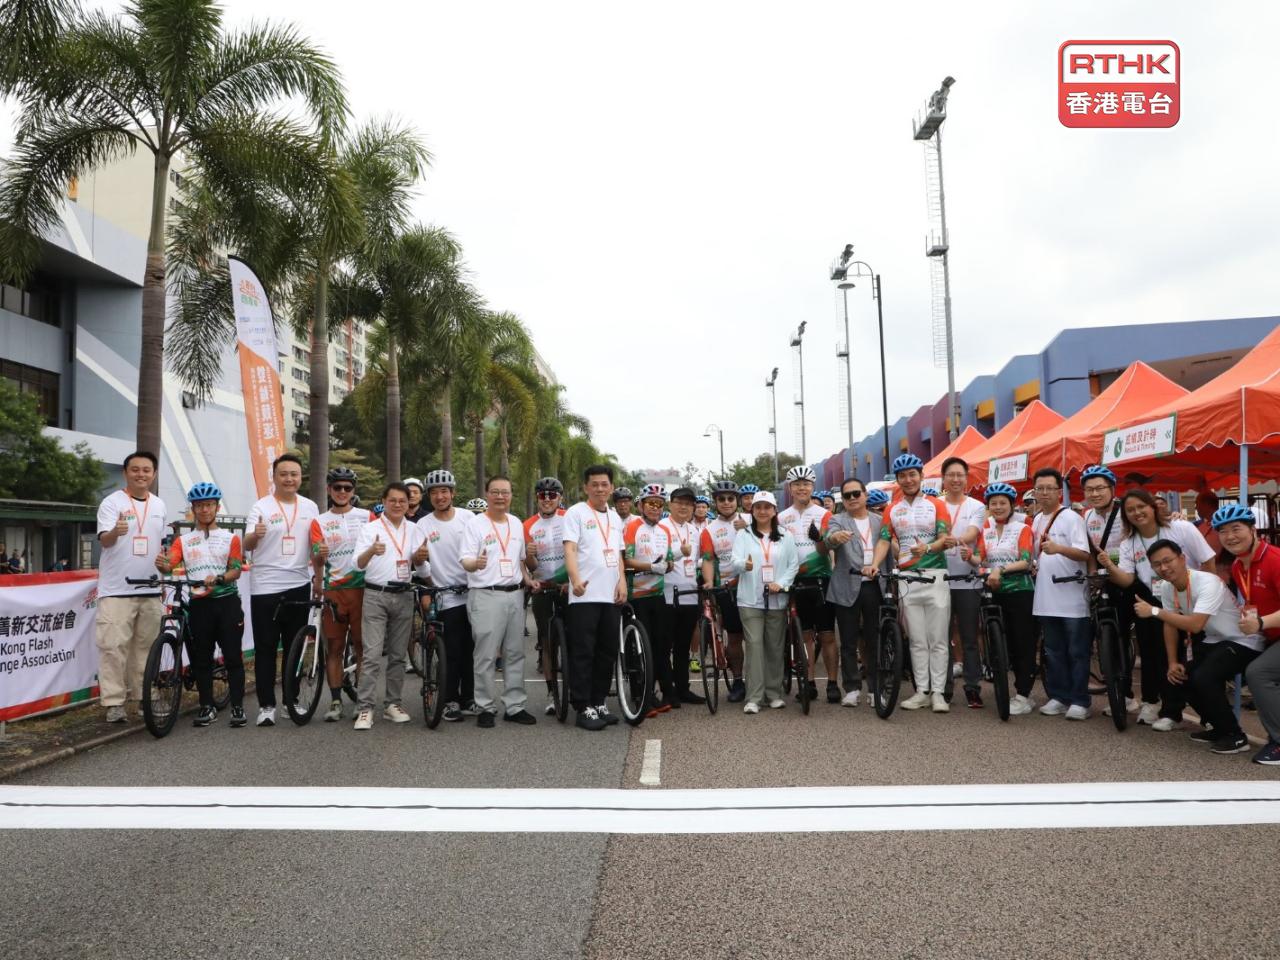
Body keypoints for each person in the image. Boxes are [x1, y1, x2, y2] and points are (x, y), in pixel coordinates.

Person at [1097, 488, 1216, 729]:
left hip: (1190, 601)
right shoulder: (1129, 542)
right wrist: (1109, 565)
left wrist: (1207, 598)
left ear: (1152, 506)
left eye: (1141, 506)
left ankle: (1207, 715)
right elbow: (1128, 580)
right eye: (1130, 510)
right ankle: (1163, 707)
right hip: (1153, 601)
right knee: (1155, 656)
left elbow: (1207, 559)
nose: (1137, 513)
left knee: (1194, 658)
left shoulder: (1181, 528)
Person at [1135, 538, 1263, 754]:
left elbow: (1195, 624)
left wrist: (1154, 611)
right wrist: (1173, 662)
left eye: (1168, 561)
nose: (1164, 568)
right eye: (1157, 564)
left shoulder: (1207, 582)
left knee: (1204, 676)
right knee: (1179, 678)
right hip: (1214, 640)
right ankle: (1218, 727)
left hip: (1244, 640)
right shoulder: (1167, 587)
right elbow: (1170, 623)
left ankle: (1235, 736)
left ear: (1182, 559)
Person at [158, 482, 246, 727]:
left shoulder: (230, 539)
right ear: (193, 509)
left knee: (232, 657)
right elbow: (170, 564)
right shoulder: (184, 541)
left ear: (217, 507)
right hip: (199, 605)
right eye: (199, 506)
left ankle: (238, 707)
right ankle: (207, 707)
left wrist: (219, 578)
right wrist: (162, 564)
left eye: (208, 505)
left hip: (226, 602)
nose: (204, 510)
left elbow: (236, 569)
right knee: (202, 658)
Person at [868, 454, 951, 712]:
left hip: (935, 574)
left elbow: (944, 538)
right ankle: (922, 691)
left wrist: (926, 549)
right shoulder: (892, 509)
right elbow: (884, 540)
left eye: (912, 474)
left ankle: (938, 693)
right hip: (906, 578)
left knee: (937, 638)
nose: (908, 479)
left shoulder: (937, 504)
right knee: (916, 639)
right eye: (902, 476)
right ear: (897, 480)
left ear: (921, 476)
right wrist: (874, 563)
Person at [244, 453, 320, 727]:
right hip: (265, 586)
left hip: (298, 584)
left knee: (294, 647)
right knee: (265, 648)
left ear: (300, 477)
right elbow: (247, 544)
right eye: (284, 474)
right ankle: (266, 705)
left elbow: (315, 544)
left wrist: (319, 567)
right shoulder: (260, 507)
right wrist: (255, 534)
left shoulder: (311, 507)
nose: (289, 479)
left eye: (294, 474)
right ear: (274, 477)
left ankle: (292, 699)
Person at [94, 451, 168, 723]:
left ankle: (144, 698)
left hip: (149, 588)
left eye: (146, 470)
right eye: (135, 469)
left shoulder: (159, 505)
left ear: (154, 474)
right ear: (126, 473)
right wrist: (116, 531)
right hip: (116, 590)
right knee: (112, 646)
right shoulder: (111, 503)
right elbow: (105, 540)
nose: (141, 474)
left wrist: (162, 573)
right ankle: (114, 703)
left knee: (147, 647)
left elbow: (159, 545)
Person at [351, 482, 430, 729]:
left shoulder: (416, 530)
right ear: (384, 501)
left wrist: (419, 560)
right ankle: (365, 708)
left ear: (409, 504)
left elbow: (424, 568)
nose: (397, 505)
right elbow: (357, 565)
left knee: (397, 656)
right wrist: (371, 551)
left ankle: (392, 704)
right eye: (392, 500)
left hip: (404, 594)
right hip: (376, 594)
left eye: (402, 501)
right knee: (372, 655)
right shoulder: (370, 529)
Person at [462, 475, 536, 727]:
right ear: (487, 494)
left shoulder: (516, 523)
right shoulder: (475, 525)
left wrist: (528, 580)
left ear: (511, 495)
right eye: (495, 492)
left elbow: (520, 561)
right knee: (485, 654)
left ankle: (514, 706)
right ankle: (484, 706)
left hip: (515, 594)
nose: (500, 496)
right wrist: (476, 563)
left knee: (515, 653)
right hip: (486, 594)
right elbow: (466, 560)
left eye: (505, 492)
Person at [563, 464, 628, 730]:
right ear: (585, 487)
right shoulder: (576, 513)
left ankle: (599, 701)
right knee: (584, 652)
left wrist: (622, 582)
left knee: (607, 652)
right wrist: (575, 580)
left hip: (610, 596)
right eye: (595, 484)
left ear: (611, 488)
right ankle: (582, 706)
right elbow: (570, 548)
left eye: (605, 484)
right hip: (585, 595)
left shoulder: (615, 518)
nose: (600, 488)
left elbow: (619, 555)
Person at [1214, 504, 1280, 764]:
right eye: (1223, 531)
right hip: (1269, 635)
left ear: (1253, 530)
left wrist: (1261, 623)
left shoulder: (1274, 559)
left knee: (1258, 672)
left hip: (1269, 632)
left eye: (1236, 529)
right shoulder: (1239, 566)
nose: (1230, 536)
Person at [1030, 468, 1094, 721]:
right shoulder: (1036, 520)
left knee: (1077, 651)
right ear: (1034, 492)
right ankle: (1059, 696)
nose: (1044, 493)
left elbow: (1084, 553)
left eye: (1049, 488)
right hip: (1046, 597)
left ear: (1059, 491)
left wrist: (1059, 548)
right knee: (1053, 650)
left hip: (1073, 596)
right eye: (1040, 488)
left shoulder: (1071, 518)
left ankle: (1080, 700)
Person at [309, 466, 370, 722]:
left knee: (361, 648)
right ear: (329, 490)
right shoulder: (319, 521)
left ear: (353, 491)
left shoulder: (367, 517)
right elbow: (315, 558)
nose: (342, 492)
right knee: (334, 647)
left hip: (362, 590)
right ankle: (335, 702)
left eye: (347, 488)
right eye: (337, 488)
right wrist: (319, 559)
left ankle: (363, 703)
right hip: (334, 591)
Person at [970, 483, 1036, 715]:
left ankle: (1024, 694)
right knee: (1000, 645)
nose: (998, 507)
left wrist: (1000, 570)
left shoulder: (1022, 528)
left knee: (1022, 644)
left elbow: (1025, 560)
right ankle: (1001, 683)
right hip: (993, 591)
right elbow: (980, 558)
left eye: (1002, 503)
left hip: (1020, 591)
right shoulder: (985, 531)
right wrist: (969, 557)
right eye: (993, 504)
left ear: (1011, 505)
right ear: (988, 507)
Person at [416, 469, 476, 723]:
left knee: (471, 649)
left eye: (444, 491)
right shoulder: (423, 525)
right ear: (429, 496)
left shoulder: (468, 517)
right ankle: (450, 698)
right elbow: (420, 564)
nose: (439, 496)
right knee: (451, 650)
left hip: (472, 592)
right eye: (434, 493)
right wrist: (430, 585)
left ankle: (469, 698)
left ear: (452, 493)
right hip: (445, 596)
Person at [1080, 464, 1140, 717]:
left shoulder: (1125, 511)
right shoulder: (1087, 517)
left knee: (1128, 635)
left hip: (1130, 579)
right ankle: (1119, 690)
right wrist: (1093, 575)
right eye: (1089, 489)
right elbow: (1091, 551)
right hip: (1104, 581)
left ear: (1112, 489)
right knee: (1106, 637)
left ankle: (1136, 696)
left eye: (1100, 488)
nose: (1095, 494)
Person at [732, 491, 799, 713]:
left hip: (777, 598)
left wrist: (781, 583)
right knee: (754, 646)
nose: (762, 511)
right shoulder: (743, 535)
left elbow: (793, 565)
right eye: (758, 507)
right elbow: (735, 561)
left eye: (767, 507)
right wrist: (744, 565)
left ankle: (774, 693)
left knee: (775, 646)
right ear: (752, 511)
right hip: (750, 599)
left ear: (774, 510)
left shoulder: (785, 535)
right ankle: (754, 697)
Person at [778, 465, 839, 704]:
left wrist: (820, 540)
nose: (801, 488)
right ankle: (809, 682)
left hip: (822, 577)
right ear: (790, 489)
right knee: (804, 637)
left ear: (813, 487)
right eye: (797, 484)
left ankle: (833, 683)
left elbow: (828, 549)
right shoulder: (782, 518)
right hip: (796, 581)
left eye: (806, 484)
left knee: (827, 635)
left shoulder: (824, 514)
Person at [825, 477, 884, 707]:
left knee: (874, 639)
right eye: (846, 495)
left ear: (865, 495)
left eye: (855, 494)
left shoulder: (880, 521)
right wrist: (833, 538)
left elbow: (890, 546)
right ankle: (851, 687)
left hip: (874, 585)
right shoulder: (837, 520)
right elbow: (829, 540)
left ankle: (876, 687)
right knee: (848, 640)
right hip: (847, 584)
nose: (851, 499)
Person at [623, 484, 677, 713]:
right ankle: (640, 696)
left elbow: (671, 560)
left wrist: (667, 565)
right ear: (641, 505)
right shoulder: (633, 527)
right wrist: (650, 566)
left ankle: (666, 692)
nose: (655, 508)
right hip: (636, 596)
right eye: (651, 503)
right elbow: (625, 560)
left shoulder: (664, 531)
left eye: (659, 504)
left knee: (661, 646)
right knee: (639, 649)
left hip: (657, 594)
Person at [938, 457, 986, 707]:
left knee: (969, 637)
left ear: (967, 478)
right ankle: (944, 688)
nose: (956, 479)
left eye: (960, 475)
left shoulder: (976, 506)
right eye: (951, 475)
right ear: (943, 478)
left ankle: (972, 687)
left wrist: (955, 541)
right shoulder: (934, 504)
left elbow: (973, 533)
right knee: (942, 637)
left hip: (968, 580)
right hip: (940, 580)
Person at [700, 480, 748, 702]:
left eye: (730, 498)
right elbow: (709, 559)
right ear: (715, 502)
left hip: (754, 586)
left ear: (737, 500)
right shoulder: (709, 530)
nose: (727, 503)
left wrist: (747, 529)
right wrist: (709, 582)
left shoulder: (751, 519)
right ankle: (738, 680)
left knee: (761, 638)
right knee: (735, 638)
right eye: (722, 499)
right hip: (728, 589)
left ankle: (764, 679)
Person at [525, 476, 567, 716]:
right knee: (548, 643)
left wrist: (571, 580)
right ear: (537, 498)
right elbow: (529, 565)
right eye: (543, 495)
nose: (547, 500)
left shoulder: (569, 519)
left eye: (552, 496)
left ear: (560, 498)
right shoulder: (528, 525)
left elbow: (578, 552)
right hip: (542, 587)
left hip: (568, 586)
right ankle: (552, 693)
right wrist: (530, 554)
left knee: (574, 639)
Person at [663, 487, 707, 705]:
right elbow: (657, 558)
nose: (684, 507)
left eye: (688, 504)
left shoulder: (695, 530)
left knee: (682, 646)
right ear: (670, 504)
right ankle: (667, 690)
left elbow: (697, 560)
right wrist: (680, 552)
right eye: (679, 502)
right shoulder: (661, 527)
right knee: (665, 646)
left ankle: (683, 688)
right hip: (667, 595)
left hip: (690, 593)